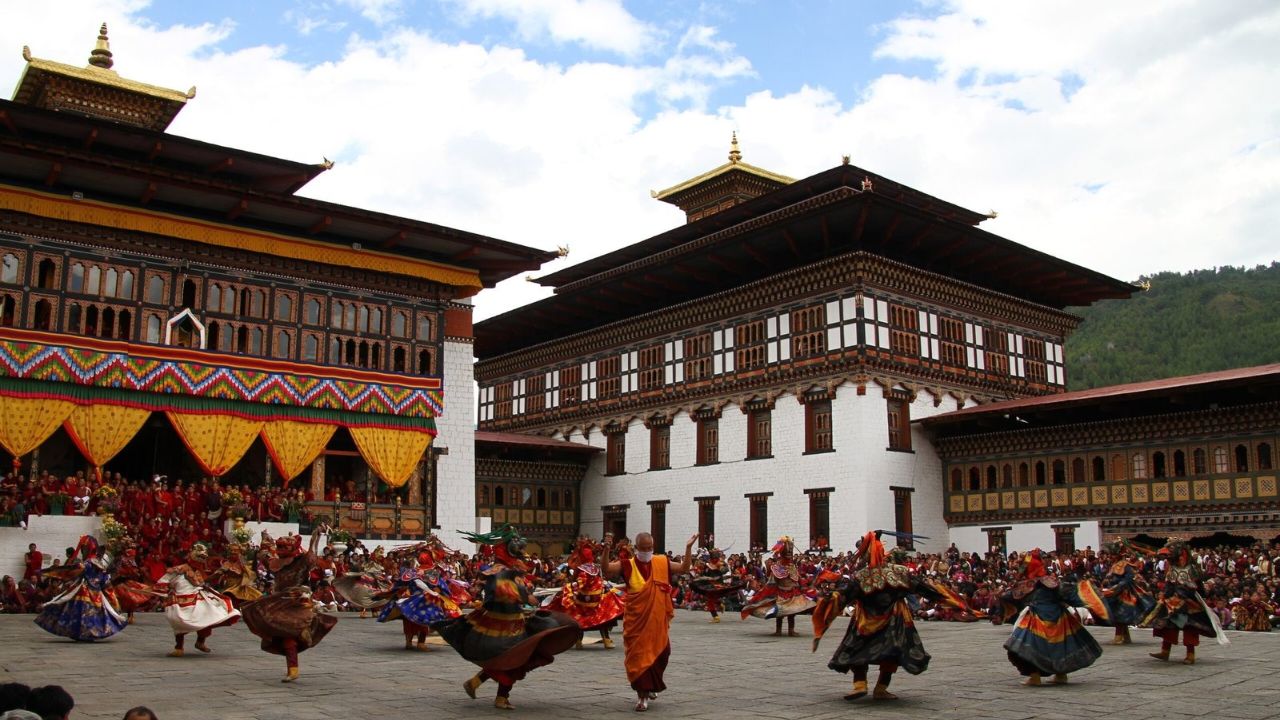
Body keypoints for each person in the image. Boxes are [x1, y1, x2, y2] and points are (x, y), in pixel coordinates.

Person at [814, 532, 974, 701]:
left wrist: (826, 602)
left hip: (868, 621)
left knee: (859, 649)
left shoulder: (861, 577)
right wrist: (954, 601)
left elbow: (843, 597)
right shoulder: (898, 573)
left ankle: (861, 685)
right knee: (892, 652)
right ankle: (878, 687)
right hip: (892, 620)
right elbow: (925, 589)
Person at [438, 524, 581, 710]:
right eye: (519, 549)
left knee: (511, 658)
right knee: (513, 659)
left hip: (513, 620)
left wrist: (531, 588)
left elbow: (518, 585)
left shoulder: (507, 569)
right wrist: (525, 596)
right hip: (502, 625)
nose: (522, 553)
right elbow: (504, 592)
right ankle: (499, 696)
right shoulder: (499, 571)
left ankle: (477, 683)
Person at [603, 531, 698, 712]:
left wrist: (688, 548)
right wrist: (606, 549)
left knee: (663, 653)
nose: (647, 551)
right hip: (636, 621)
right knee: (639, 658)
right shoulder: (627, 565)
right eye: (643, 548)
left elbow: (684, 568)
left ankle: (652, 685)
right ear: (636, 548)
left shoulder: (661, 562)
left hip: (656, 620)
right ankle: (642, 696)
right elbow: (606, 569)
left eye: (650, 548)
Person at [993, 549, 1106, 686]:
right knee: (1060, 647)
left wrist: (1001, 594)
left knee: (1029, 647)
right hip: (1059, 618)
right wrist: (1089, 600)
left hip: (1037, 619)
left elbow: (1010, 596)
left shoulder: (1028, 585)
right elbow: (1068, 595)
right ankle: (1061, 675)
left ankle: (1035, 676)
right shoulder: (1051, 581)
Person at [240, 529, 339, 682]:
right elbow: (262, 555)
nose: (280, 550)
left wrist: (314, 539)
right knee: (284, 634)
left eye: (284, 547)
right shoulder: (275, 562)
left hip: (297, 599)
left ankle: (302, 643)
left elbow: (311, 554)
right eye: (279, 546)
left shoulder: (302, 561)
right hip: (279, 600)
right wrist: (265, 540)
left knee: (293, 631)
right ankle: (292, 669)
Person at [1145, 538, 1228, 664]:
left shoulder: (1192, 568)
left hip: (1190, 602)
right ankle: (1165, 651)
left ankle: (1190, 654)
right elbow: (1169, 583)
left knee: (1190, 627)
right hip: (1172, 600)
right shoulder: (1172, 568)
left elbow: (1198, 585)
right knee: (1168, 625)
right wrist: (1165, 596)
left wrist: (1199, 595)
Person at [33, 536, 126, 641]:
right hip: (96, 592)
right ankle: (91, 632)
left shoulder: (86, 563)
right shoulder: (98, 563)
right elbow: (103, 578)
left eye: (84, 548)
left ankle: (82, 632)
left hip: (84, 590)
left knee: (79, 612)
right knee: (94, 613)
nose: (82, 551)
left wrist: (52, 572)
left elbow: (71, 572)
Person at [159, 544, 241, 657]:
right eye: (199, 559)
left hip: (197, 596)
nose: (201, 563)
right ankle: (179, 647)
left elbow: (203, 582)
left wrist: (220, 572)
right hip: (180, 599)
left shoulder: (198, 571)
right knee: (179, 619)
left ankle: (200, 641)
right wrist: (163, 591)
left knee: (209, 613)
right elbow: (164, 580)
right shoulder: (179, 569)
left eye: (202, 560)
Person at [546, 537, 624, 648]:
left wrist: (569, 586)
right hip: (596, 597)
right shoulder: (594, 567)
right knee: (603, 615)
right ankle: (606, 639)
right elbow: (597, 580)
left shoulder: (583, 569)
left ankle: (579, 641)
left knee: (577, 615)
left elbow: (581, 582)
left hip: (585, 599)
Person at [740, 536, 816, 636]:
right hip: (781, 592)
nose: (789, 555)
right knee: (780, 612)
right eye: (787, 552)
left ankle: (791, 630)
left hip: (793, 592)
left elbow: (797, 579)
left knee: (792, 612)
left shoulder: (792, 566)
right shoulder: (777, 567)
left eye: (790, 552)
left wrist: (803, 585)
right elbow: (772, 582)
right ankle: (778, 630)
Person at [1099, 541, 1156, 645]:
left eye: (1112, 555)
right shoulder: (1114, 565)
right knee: (1117, 615)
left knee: (1120, 615)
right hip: (1113, 592)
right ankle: (1126, 637)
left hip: (1123, 593)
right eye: (1110, 555)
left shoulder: (1126, 565)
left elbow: (1129, 578)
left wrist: (1118, 585)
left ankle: (1118, 636)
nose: (1110, 557)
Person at [689, 549, 743, 623]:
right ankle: (719, 605)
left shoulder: (720, 563)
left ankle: (716, 616)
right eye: (713, 557)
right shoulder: (708, 564)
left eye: (715, 557)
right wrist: (700, 573)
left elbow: (725, 570)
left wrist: (721, 568)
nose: (714, 558)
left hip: (717, 585)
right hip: (709, 585)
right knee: (710, 599)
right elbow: (704, 573)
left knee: (710, 600)